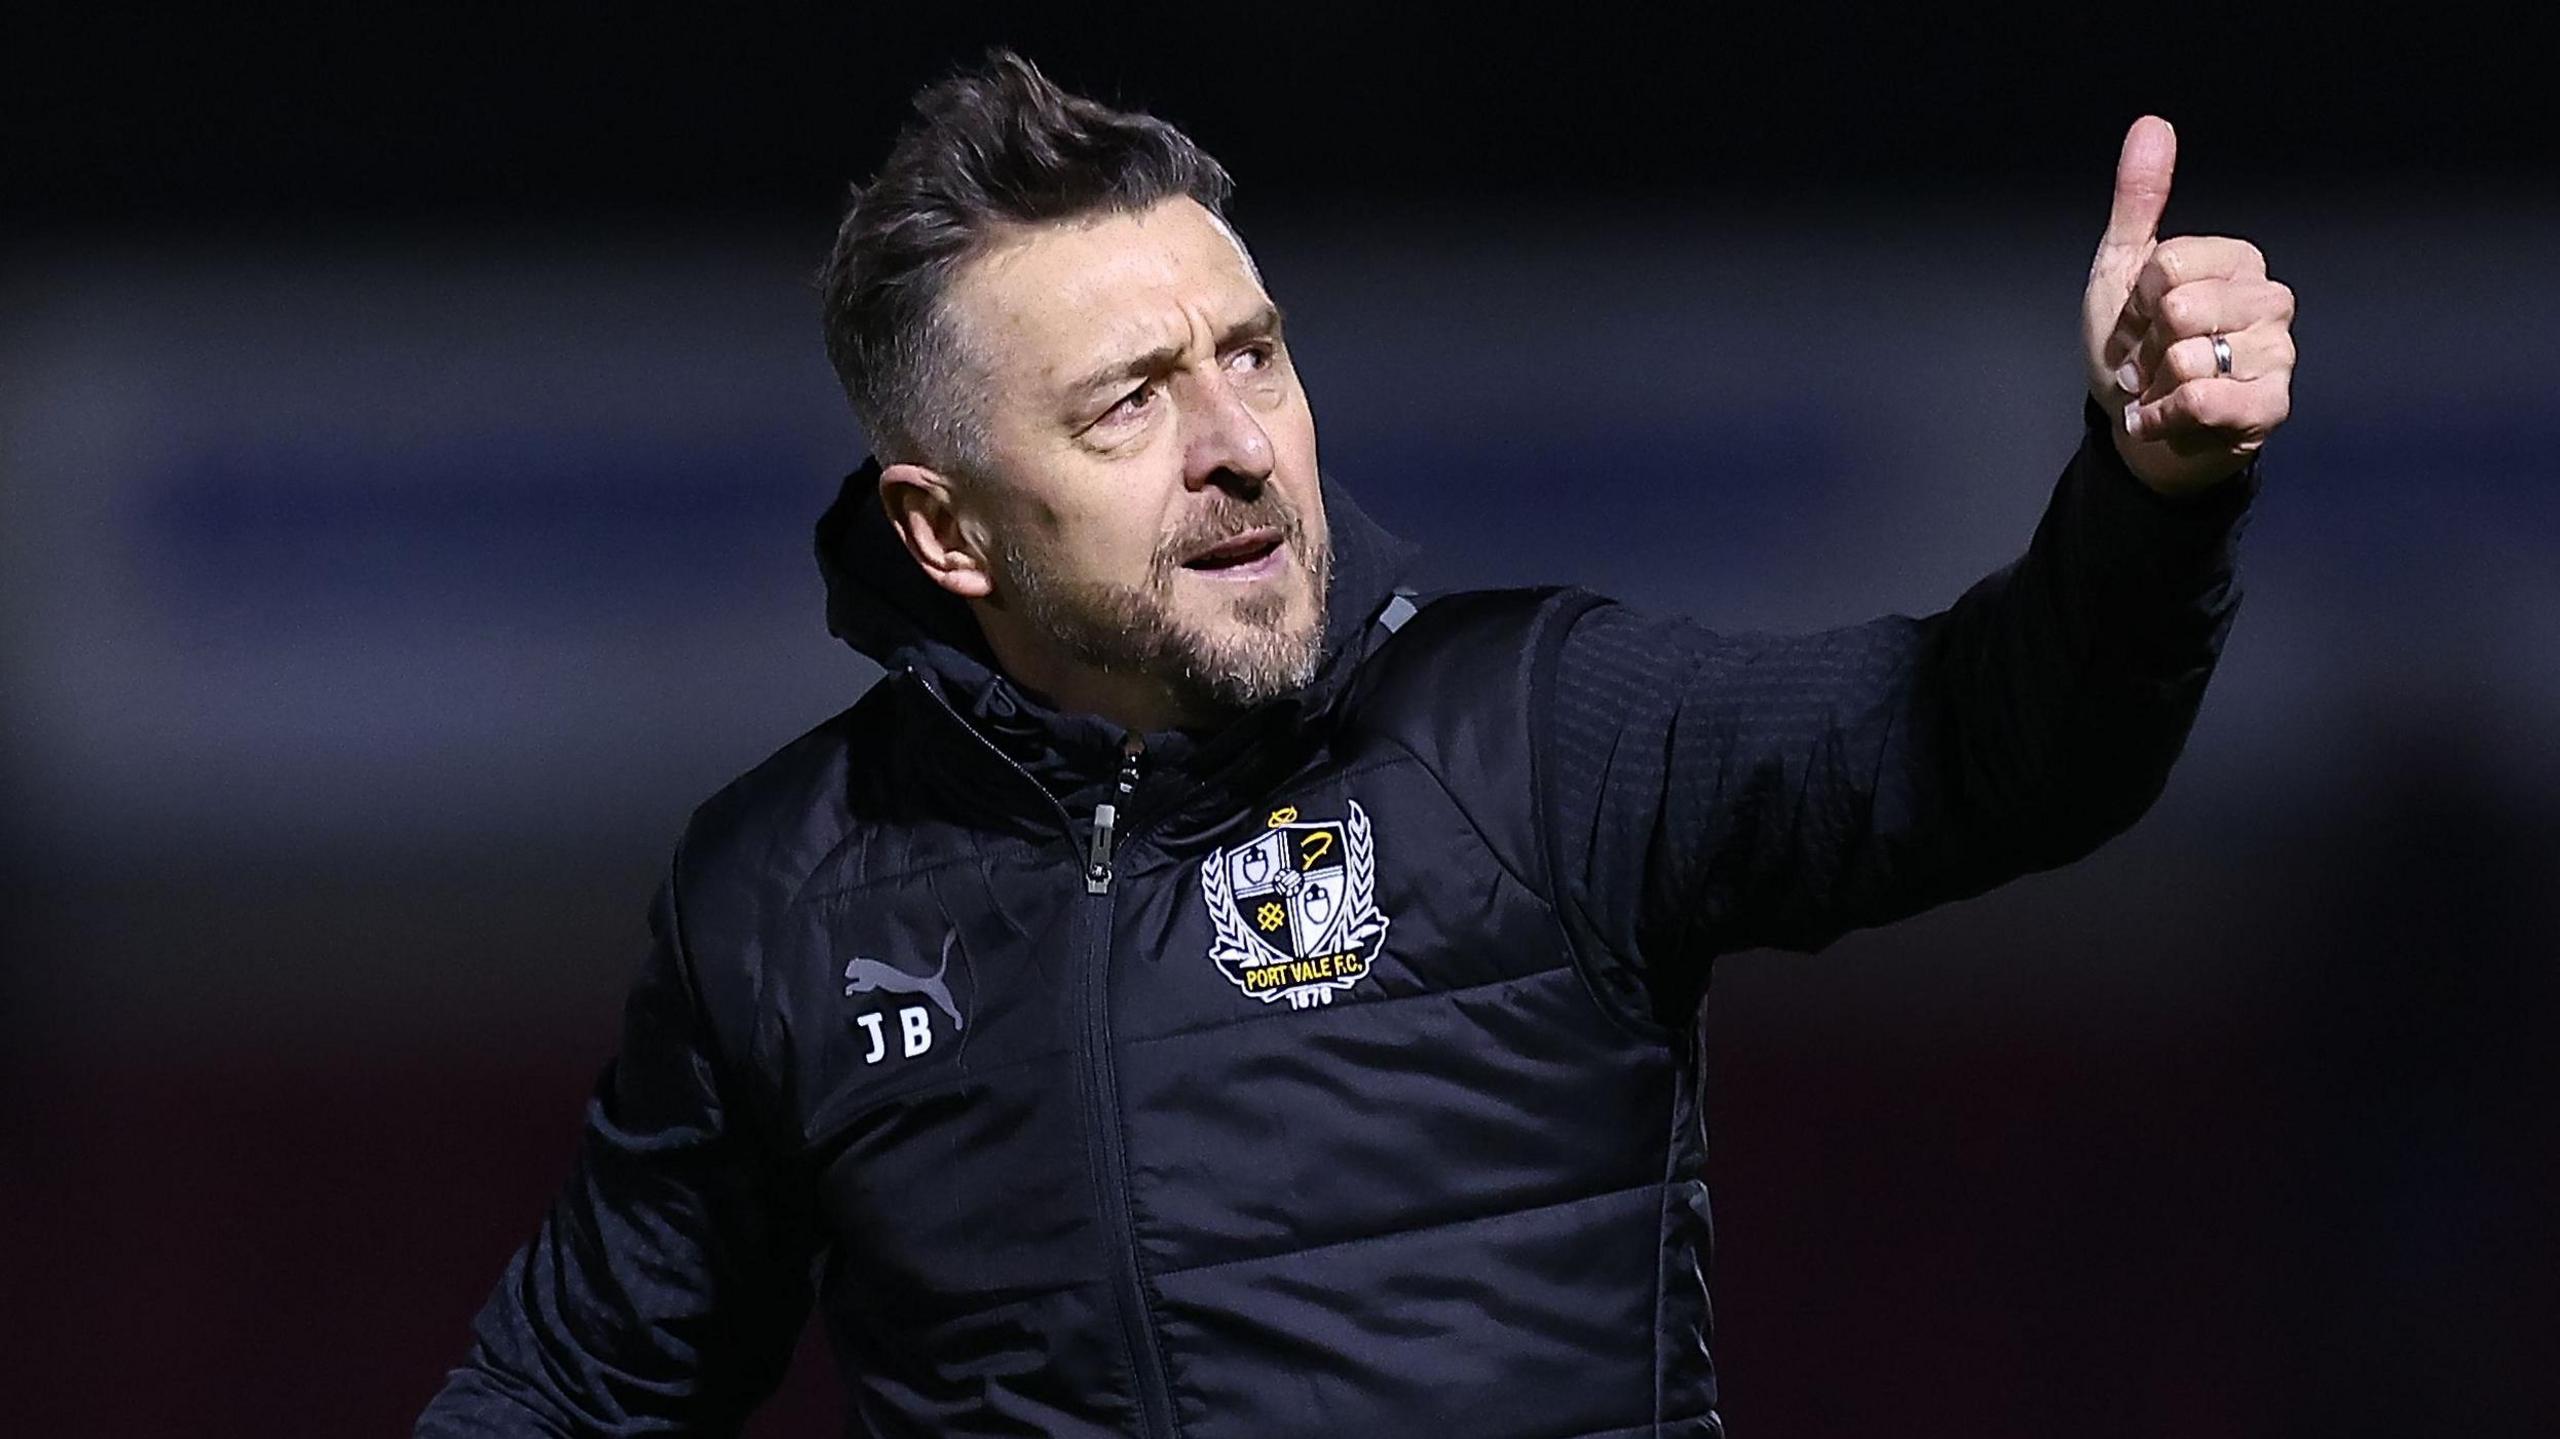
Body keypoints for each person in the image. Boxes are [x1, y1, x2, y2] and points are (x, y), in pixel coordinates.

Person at [417, 49, 2292, 1439]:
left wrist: (2149, 498)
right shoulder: (786, 899)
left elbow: (1994, 747)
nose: (1238, 438)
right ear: (947, 531)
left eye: (1255, 353)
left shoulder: (1538, 730)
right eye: (1132, 399)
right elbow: (576, 1395)